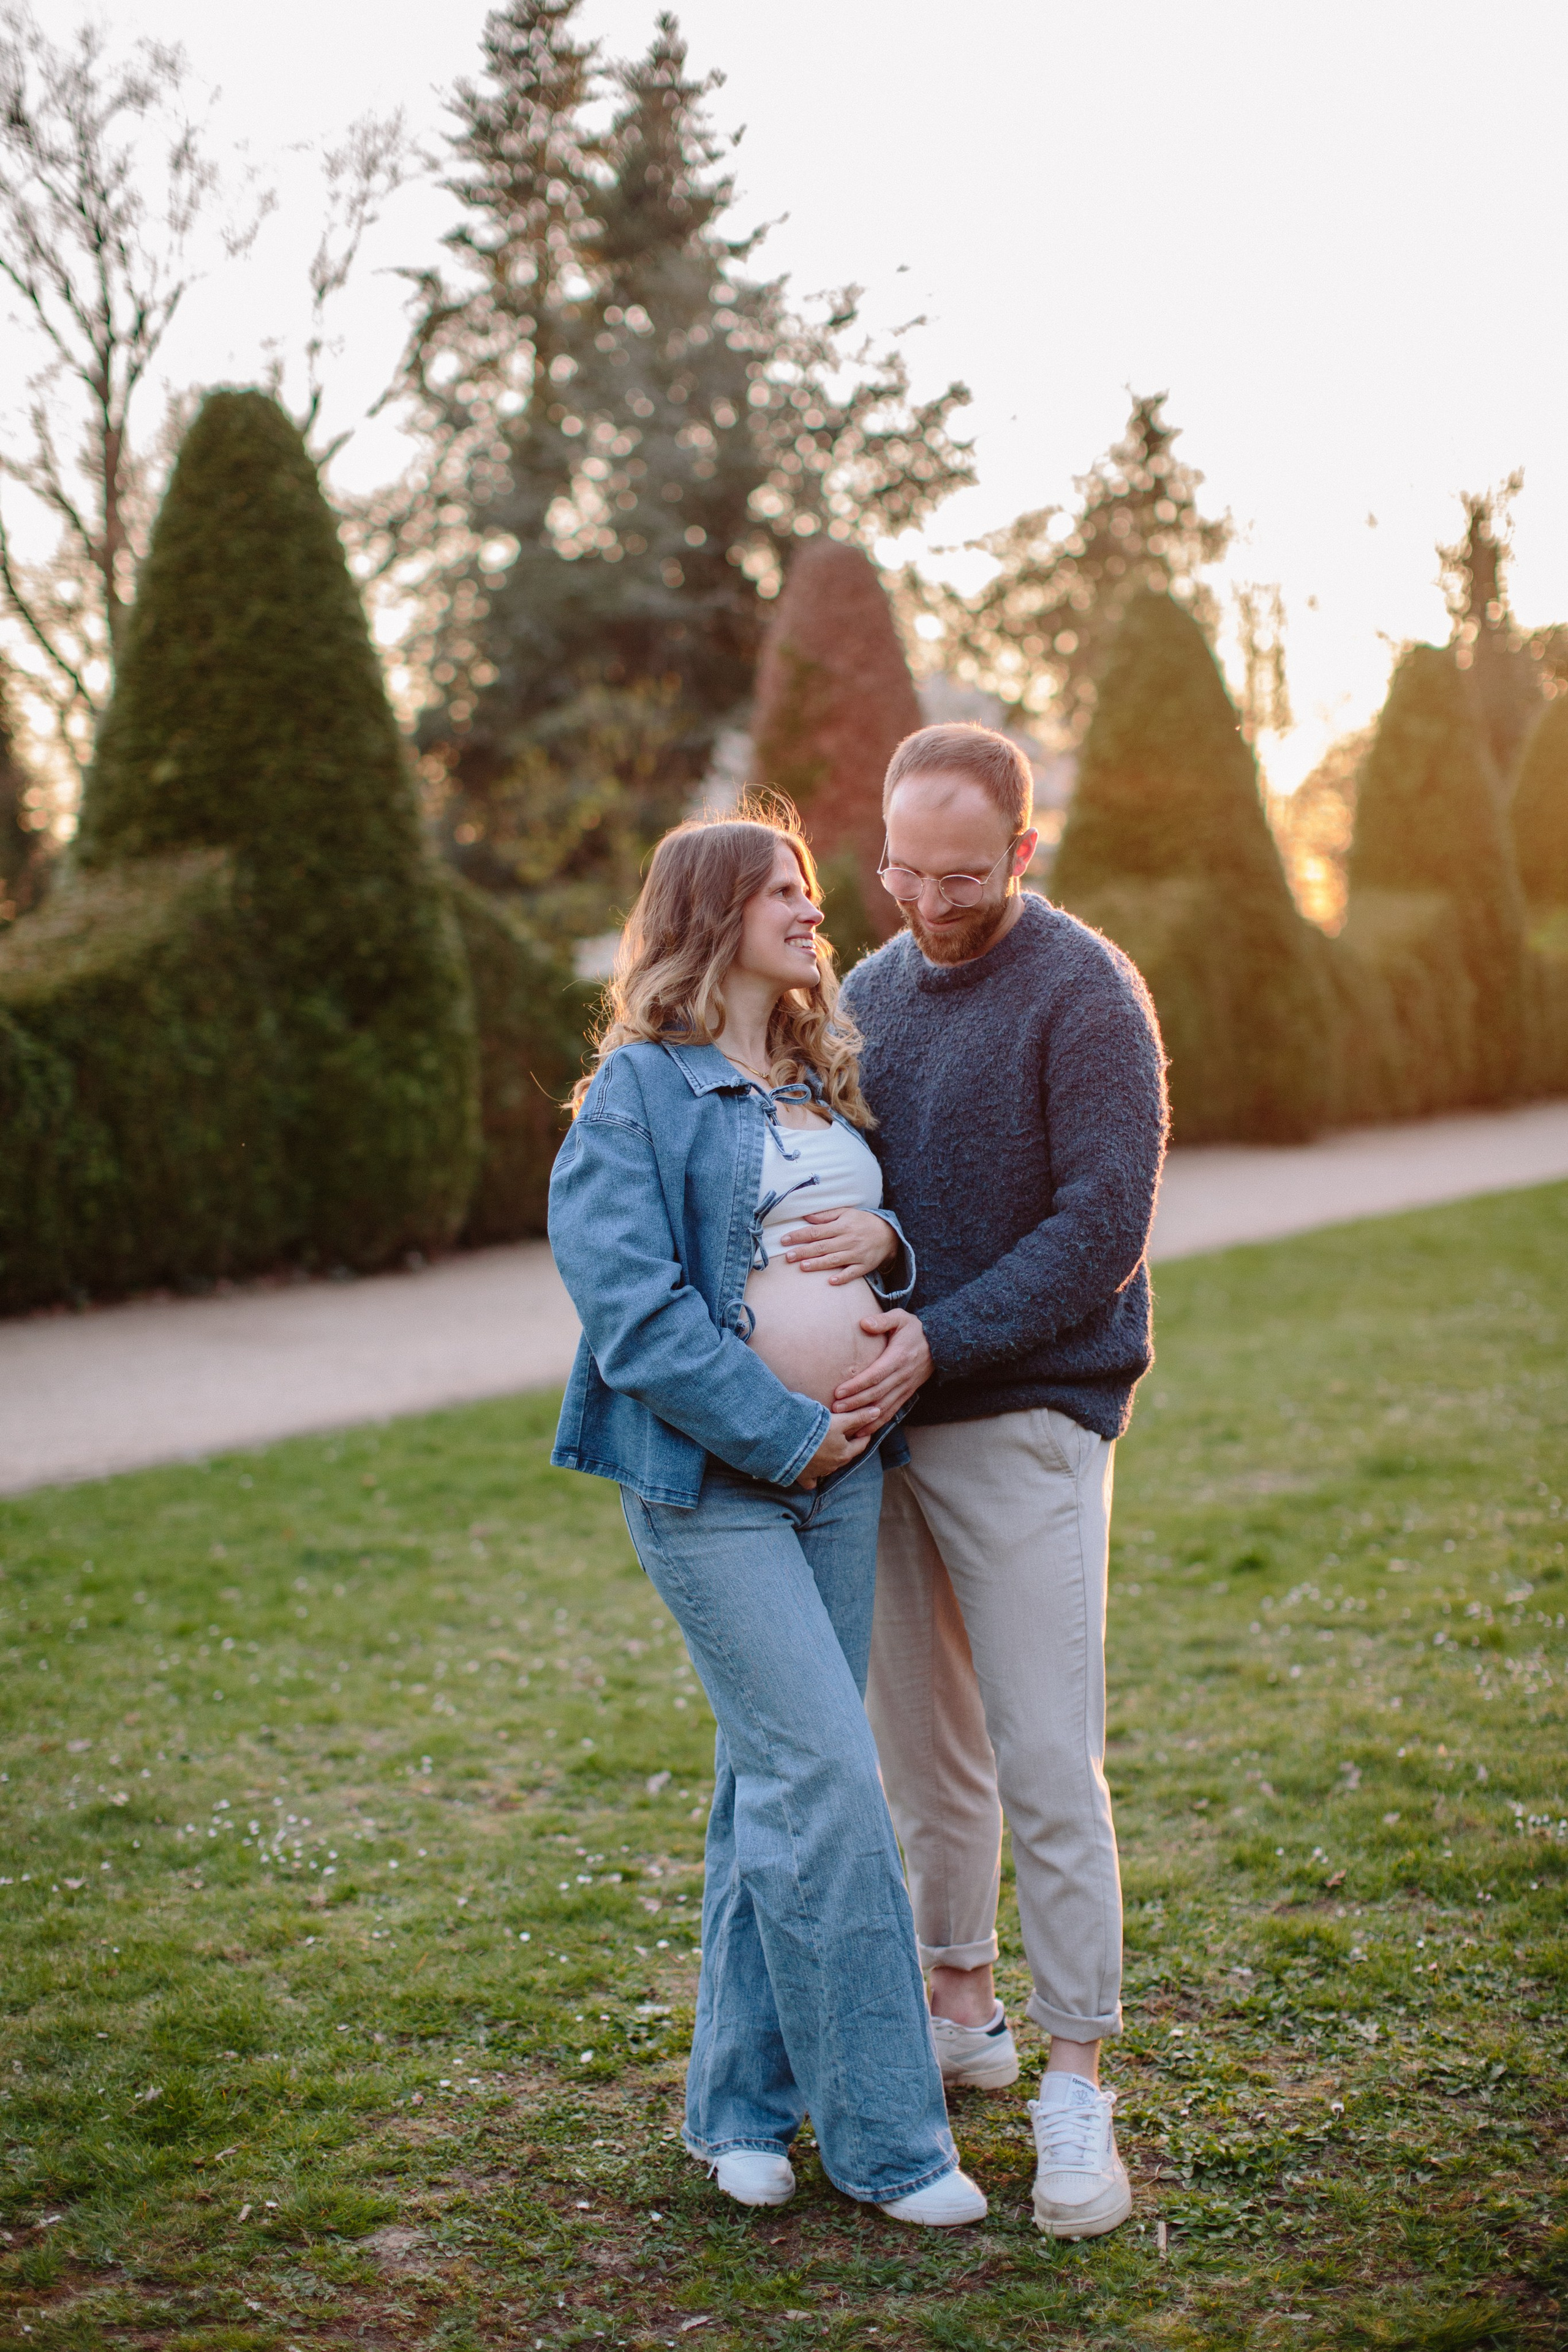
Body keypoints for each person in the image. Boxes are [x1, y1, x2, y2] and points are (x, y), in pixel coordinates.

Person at [547, 802, 988, 2227]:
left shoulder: (814, 1069)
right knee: (830, 1788)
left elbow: (857, 1238)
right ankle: (889, 2146)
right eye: (785, 892)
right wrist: (787, 1433)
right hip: (719, 1489)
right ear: (708, 915)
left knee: (768, 1787)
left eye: (808, 893)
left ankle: (736, 2108)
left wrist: (891, 1245)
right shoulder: (638, 1094)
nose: (815, 911)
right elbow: (636, 1318)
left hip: (845, 1480)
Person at [804, 722, 1168, 2240]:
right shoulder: (866, 992)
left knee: (1041, 1756)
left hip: (1021, 1420)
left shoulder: (1083, 991)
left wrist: (936, 1340)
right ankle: (961, 2005)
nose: (927, 903)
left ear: (1023, 851)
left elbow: (1102, 1224)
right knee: (924, 1758)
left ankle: (1075, 2079)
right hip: (881, 1430)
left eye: (961, 875)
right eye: (899, 869)